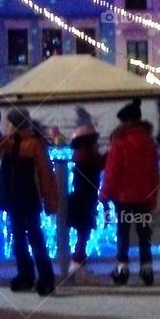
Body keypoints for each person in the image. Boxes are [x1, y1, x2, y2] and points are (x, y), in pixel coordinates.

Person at [0, 106, 59, 296]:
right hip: (15, 201)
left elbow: (45, 173)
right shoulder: (10, 143)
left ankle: (44, 276)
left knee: (33, 239)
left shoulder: (32, 144)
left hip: (28, 200)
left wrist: (49, 200)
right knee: (21, 240)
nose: (5, 126)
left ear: (15, 125)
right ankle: (27, 274)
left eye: (8, 123)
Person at [101, 100, 160, 286]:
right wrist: (153, 195)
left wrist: (104, 194)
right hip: (144, 196)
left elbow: (113, 172)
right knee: (144, 234)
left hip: (124, 197)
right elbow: (154, 171)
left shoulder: (120, 143)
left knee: (123, 233)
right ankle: (147, 269)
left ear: (126, 122)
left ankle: (122, 269)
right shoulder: (149, 141)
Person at [60, 122, 104, 286]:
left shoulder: (80, 156)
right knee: (83, 237)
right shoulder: (89, 157)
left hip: (80, 200)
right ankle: (77, 267)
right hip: (85, 201)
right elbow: (100, 164)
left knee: (82, 236)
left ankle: (78, 266)